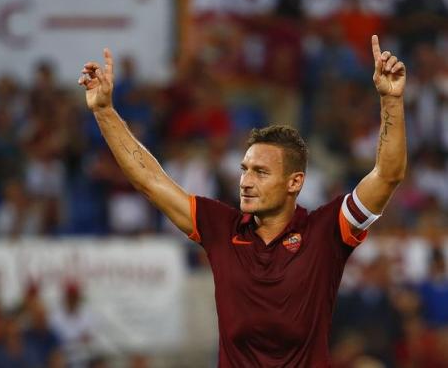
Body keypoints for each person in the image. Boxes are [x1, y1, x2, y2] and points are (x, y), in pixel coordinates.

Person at [78, 35, 407, 366]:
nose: (246, 182)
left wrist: (391, 100)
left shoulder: (325, 231)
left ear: (294, 182)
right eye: (244, 170)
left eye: (261, 172)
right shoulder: (222, 228)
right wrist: (104, 111)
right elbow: (150, 181)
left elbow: (387, 176)